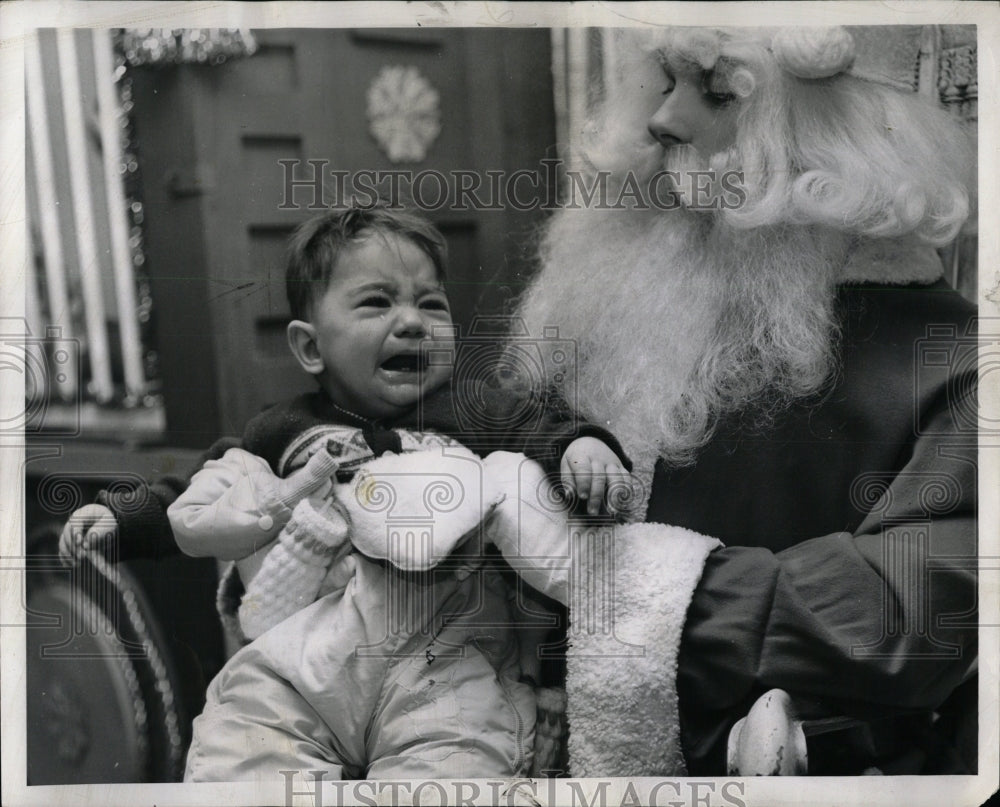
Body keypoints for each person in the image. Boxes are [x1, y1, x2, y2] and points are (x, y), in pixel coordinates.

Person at [516, 25, 978, 774]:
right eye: (665, 82)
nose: (664, 120)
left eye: (719, 92)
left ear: (845, 137)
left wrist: (607, 577)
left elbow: (912, 615)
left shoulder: (959, 361)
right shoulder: (632, 292)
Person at [63, 205, 634, 781]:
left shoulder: (473, 409)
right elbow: (201, 492)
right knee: (241, 742)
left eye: (431, 303)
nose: (413, 322)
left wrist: (579, 447)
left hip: (446, 665)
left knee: (458, 767)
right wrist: (124, 518)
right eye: (377, 302)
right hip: (309, 660)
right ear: (310, 348)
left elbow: (540, 426)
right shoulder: (282, 432)